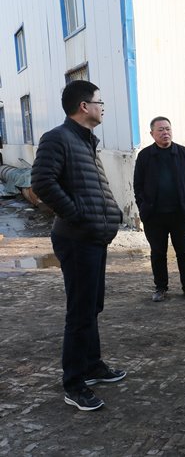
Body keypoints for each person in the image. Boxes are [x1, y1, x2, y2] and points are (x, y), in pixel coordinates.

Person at [31, 80, 126, 411]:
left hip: (93, 237)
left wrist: (110, 214)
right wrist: (77, 214)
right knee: (80, 312)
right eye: (100, 102)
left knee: (92, 306)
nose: (102, 108)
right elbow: (42, 182)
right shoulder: (57, 138)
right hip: (76, 238)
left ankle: (92, 365)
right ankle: (74, 383)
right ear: (84, 106)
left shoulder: (85, 142)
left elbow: (93, 187)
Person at [134, 117, 185, 302]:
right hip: (154, 215)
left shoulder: (183, 154)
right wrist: (144, 206)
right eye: (161, 130)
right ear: (152, 134)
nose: (165, 133)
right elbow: (138, 186)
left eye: (168, 129)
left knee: (184, 251)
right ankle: (161, 288)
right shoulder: (145, 156)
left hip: (180, 214)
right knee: (158, 252)